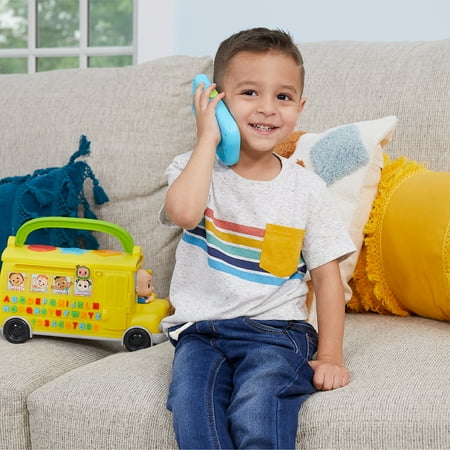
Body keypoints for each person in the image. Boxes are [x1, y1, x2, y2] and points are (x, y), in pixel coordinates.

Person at [160, 27, 356, 449]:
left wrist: (330, 357)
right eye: (250, 92)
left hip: (277, 331)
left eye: (283, 97)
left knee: (257, 406)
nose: (267, 108)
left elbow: (327, 279)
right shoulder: (191, 168)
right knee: (191, 405)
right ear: (216, 100)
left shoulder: (306, 189)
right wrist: (208, 138)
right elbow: (185, 214)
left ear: (299, 108)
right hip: (201, 333)